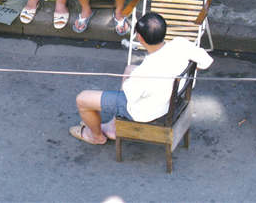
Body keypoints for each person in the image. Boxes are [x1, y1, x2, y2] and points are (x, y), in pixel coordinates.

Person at [69, 12, 213, 145]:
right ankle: (113, 125)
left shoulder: (146, 70)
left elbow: (130, 96)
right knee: (129, 68)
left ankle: (97, 137)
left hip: (148, 111)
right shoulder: (180, 43)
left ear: (140, 37)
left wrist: (132, 81)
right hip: (174, 98)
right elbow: (206, 62)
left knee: (82, 99)